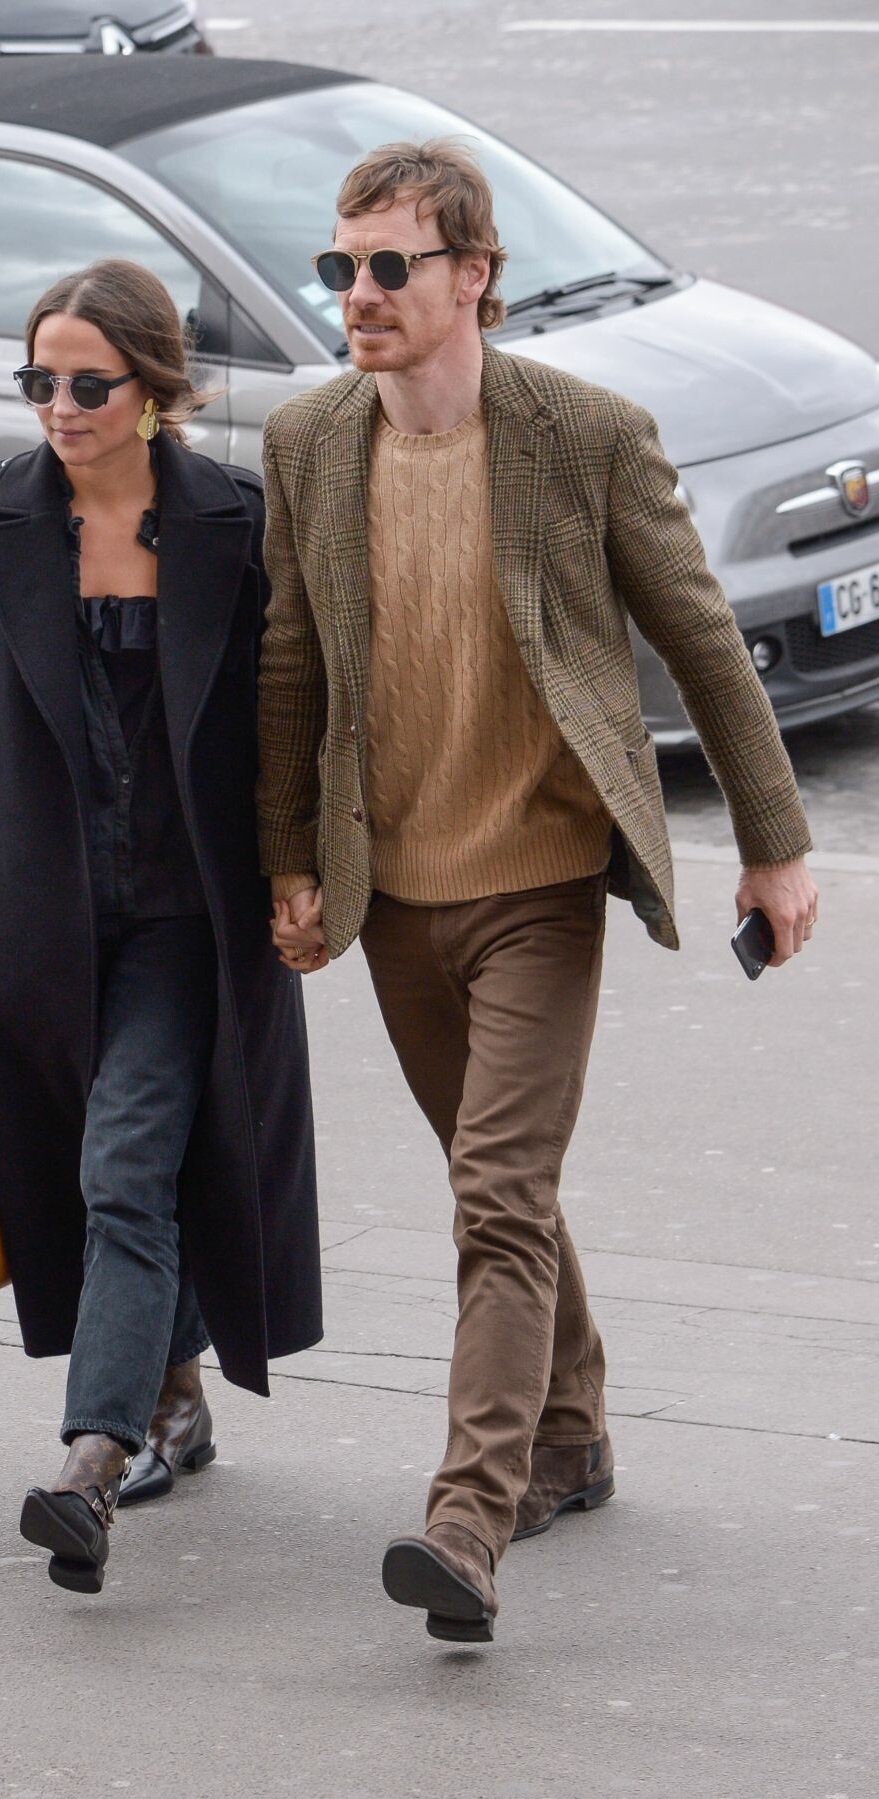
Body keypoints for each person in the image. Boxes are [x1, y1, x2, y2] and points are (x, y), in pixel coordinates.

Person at [257, 141, 817, 1644]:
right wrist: (291, 860)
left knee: (495, 1199)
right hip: (395, 888)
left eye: (391, 266)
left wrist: (774, 842)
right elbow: (291, 664)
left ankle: (468, 1519)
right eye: (341, 266)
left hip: (542, 881)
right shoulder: (310, 441)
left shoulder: (585, 435)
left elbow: (700, 637)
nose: (359, 293)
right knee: (493, 1181)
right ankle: (571, 1435)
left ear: (474, 276)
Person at [0, 259, 321, 1596]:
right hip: (38, 923)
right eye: (39, 383)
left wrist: (305, 873)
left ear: (153, 387)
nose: (59, 410)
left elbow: (292, 723)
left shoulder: (235, 525)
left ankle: (92, 1460)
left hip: (189, 926)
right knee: (88, 1168)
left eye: (87, 386)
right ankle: (172, 1393)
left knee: (126, 1167)